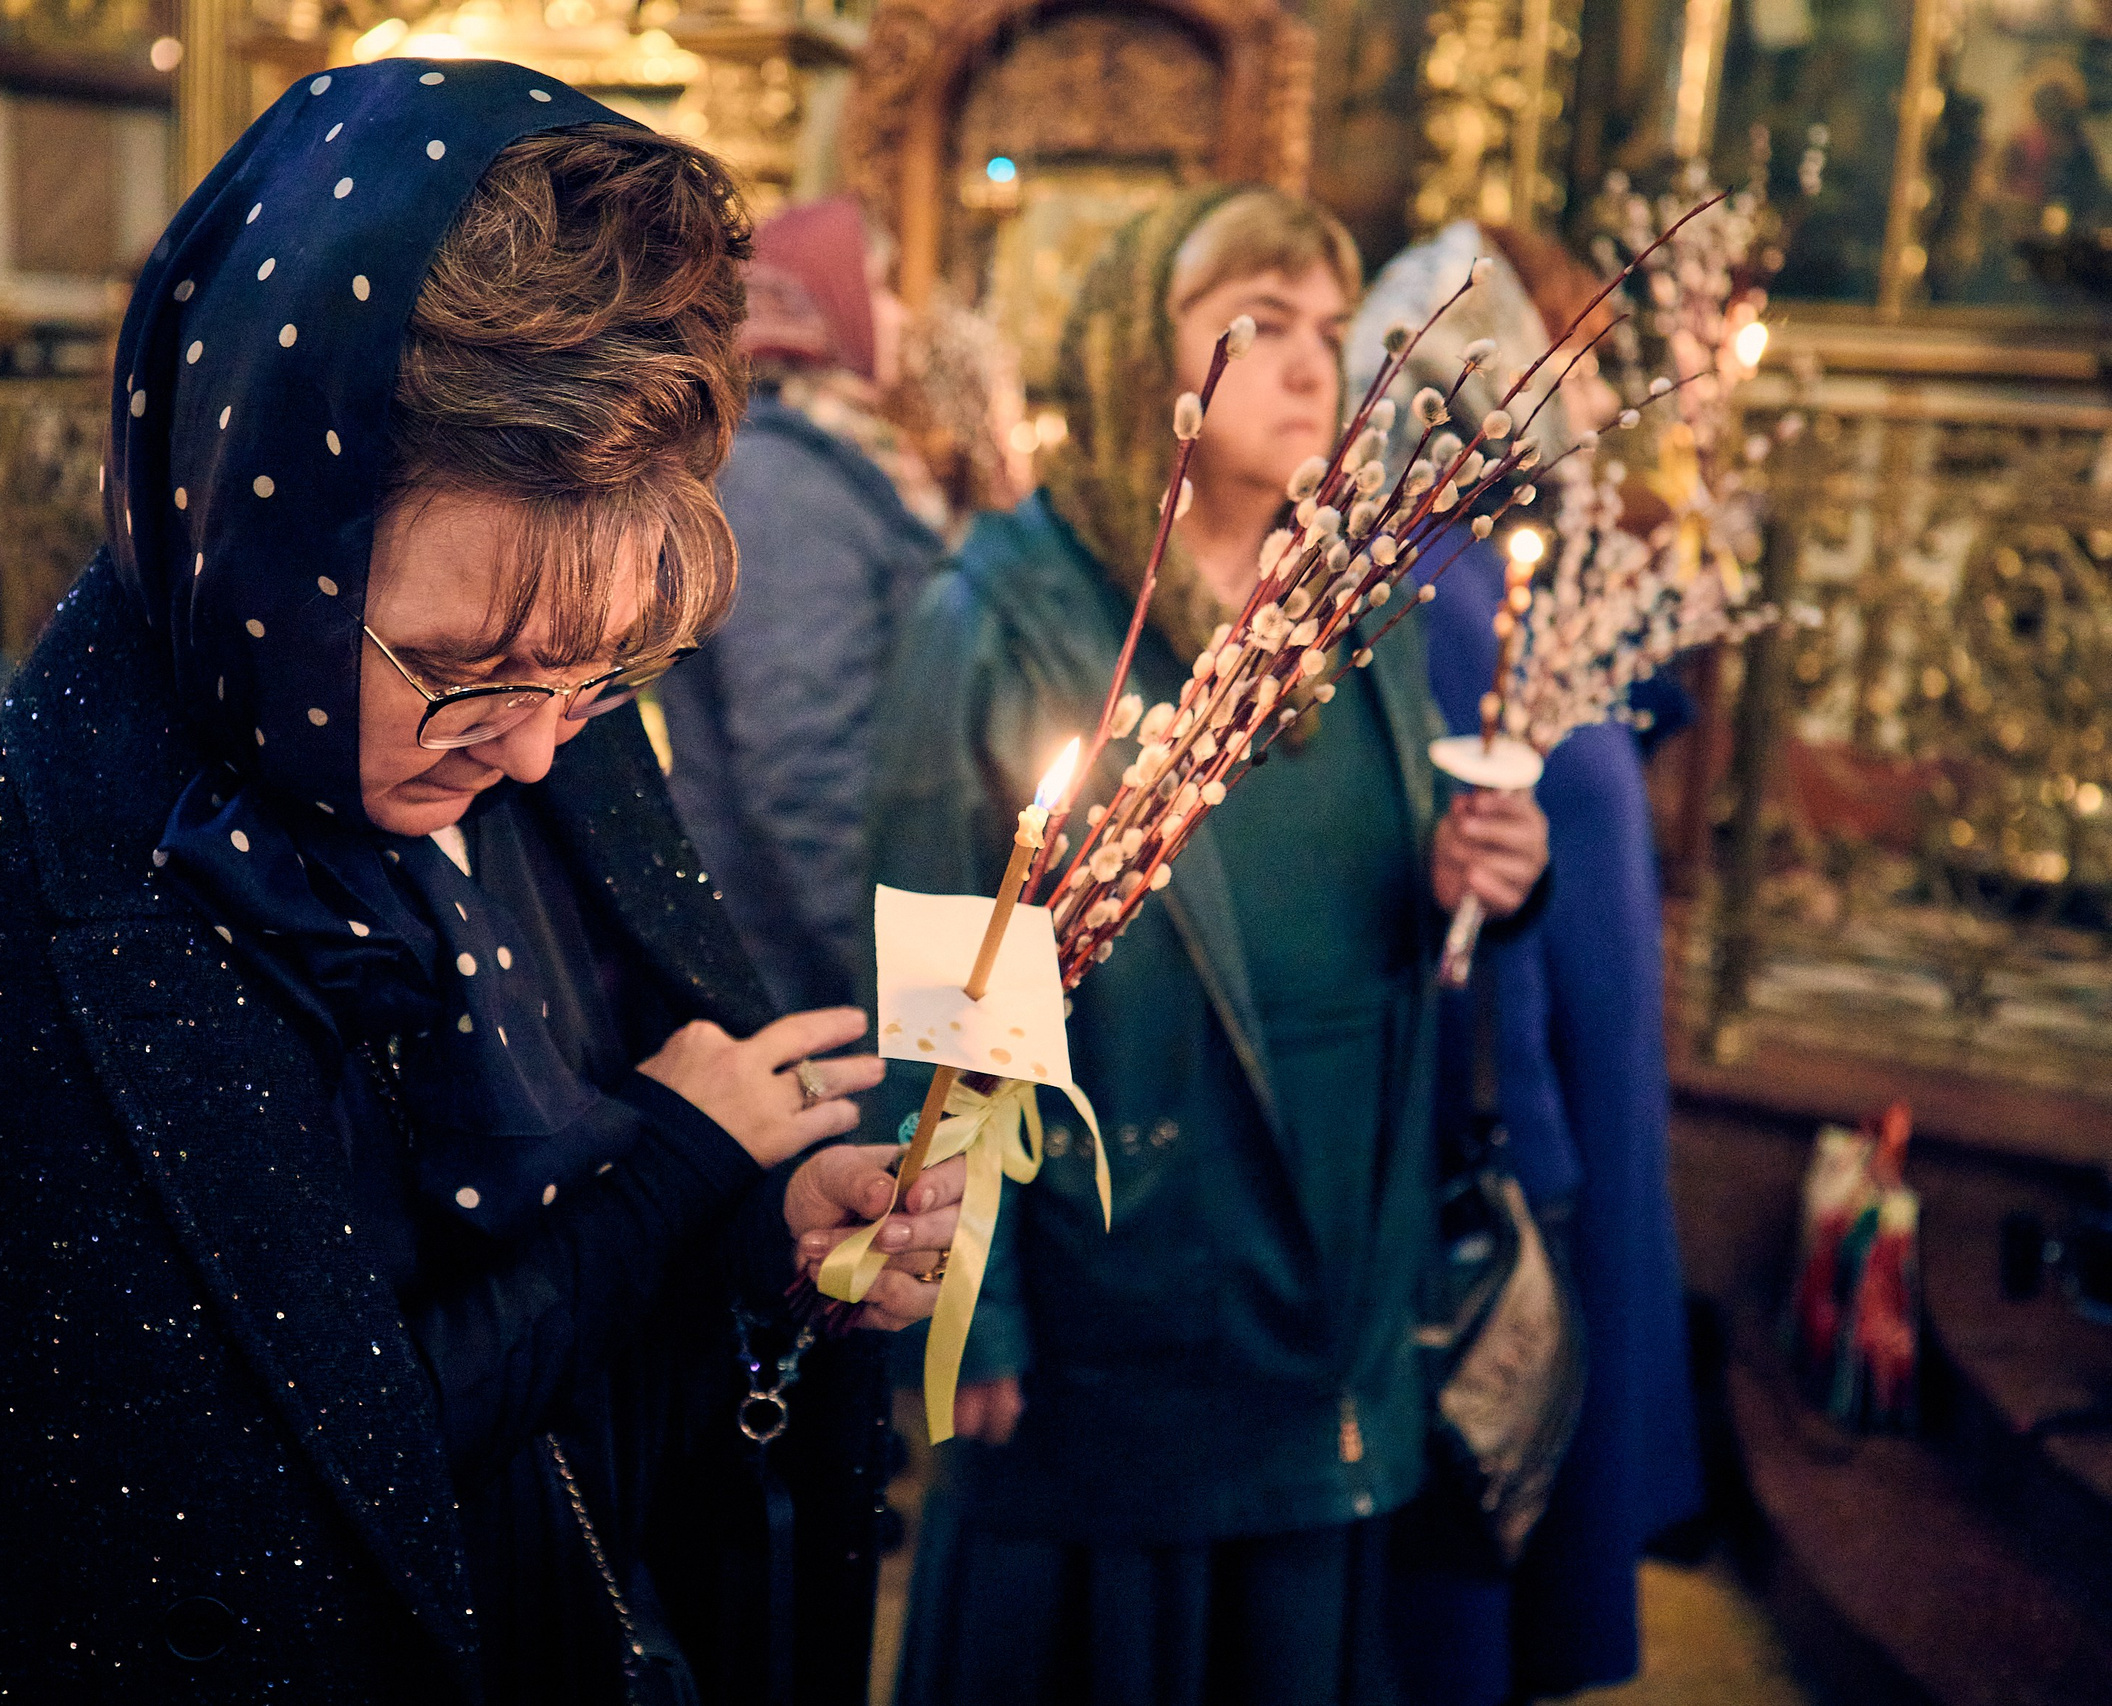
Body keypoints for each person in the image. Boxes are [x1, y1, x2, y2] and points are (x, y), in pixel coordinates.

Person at [0, 65, 967, 1703]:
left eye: (601, 666)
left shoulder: (545, 749)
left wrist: (760, 1237)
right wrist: (673, 1177)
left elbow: (566, 1265)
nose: (541, 750)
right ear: (260, 524)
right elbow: (250, 1492)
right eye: (459, 665)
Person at [880, 186, 1549, 1706]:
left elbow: (1393, 892)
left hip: (1327, 1279)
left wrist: (1489, 874)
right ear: (1139, 360)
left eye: (1330, 325)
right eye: (1257, 319)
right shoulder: (1007, 612)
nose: (1315, 362)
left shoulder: (1342, 602)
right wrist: (972, 1288)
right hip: (1123, 1284)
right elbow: (943, 961)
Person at [1348, 219, 1703, 1706]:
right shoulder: (1428, 585)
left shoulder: (1499, 561)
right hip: (1525, 1083)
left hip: (1580, 1058)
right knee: (1486, 1452)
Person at [661, 196, 948, 1018]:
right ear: (830, 301)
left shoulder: (816, 458)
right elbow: (805, 764)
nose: (898, 315)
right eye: (881, 289)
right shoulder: (778, 482)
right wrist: (929, 1001)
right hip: (801, 979)